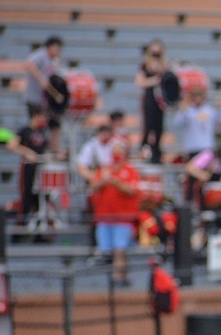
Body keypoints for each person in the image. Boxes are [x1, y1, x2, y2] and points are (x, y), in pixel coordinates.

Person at [88, 140, 140, 286]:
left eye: (119, 151)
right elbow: (93, 187)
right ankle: (123, 275)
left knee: (120, 249)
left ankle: (117, 278)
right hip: (104, 216)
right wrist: (104, 180)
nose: (116, 154)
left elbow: (132, 190)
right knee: (108, 250)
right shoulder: (104, 170)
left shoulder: (130, 170)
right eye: (114, 151)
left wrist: (115, 182)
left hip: (123, 217)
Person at [6, 107, 49, 232]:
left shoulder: (43, 132)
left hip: (40, 170)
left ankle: (38, 232)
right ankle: (20, 229)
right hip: (28, 169)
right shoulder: (25, 131)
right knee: (26, 198)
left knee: (40, 201)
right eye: (43, 116)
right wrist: (27, 152)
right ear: (36, 115)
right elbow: (11, 145)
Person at [24, 36, 64, 157]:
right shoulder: (41, 55)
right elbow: (29, 64)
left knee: (53, 125)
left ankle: (52, 150)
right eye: (56, 48)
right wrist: (41, 79)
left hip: (44, 102)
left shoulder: (54, 61)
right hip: (34, 98)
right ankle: (33, 150)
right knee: (36, 127)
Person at [135, 39, 169, 164]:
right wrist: (154, 80)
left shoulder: (164, 66)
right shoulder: (145, 66)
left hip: (160, 100)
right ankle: (144, 149)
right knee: (148, 125)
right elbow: (140, 82)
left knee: (158, 127)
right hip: (149, 98)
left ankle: (156, 152)